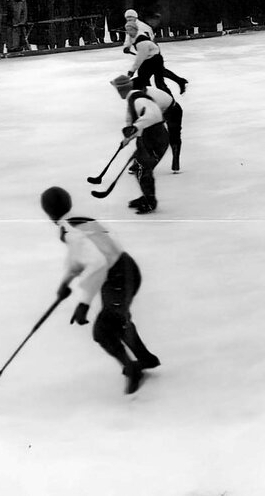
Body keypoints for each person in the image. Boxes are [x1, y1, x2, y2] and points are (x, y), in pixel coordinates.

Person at [42, 186, 160, 394]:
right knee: (118, 319)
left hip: (116, 277)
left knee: (103, 331)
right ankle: (144, 358)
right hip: (126, 268)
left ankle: (132, 369)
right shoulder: (80, 220)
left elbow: (97, 262)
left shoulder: (71, 232)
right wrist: (66, 280)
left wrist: (83, 303)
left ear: (48, 212)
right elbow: (82, 255)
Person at [110, 74, 175, 213]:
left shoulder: (137, 99)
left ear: (121, 90)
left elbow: (153, 115)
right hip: (150, 137)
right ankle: (147, 196)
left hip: (155, 137)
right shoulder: (134, 99)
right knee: (139, 167)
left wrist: (136, 127)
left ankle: (150, 201)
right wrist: (127, 139)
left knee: (142, 168)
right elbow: (134, 121)